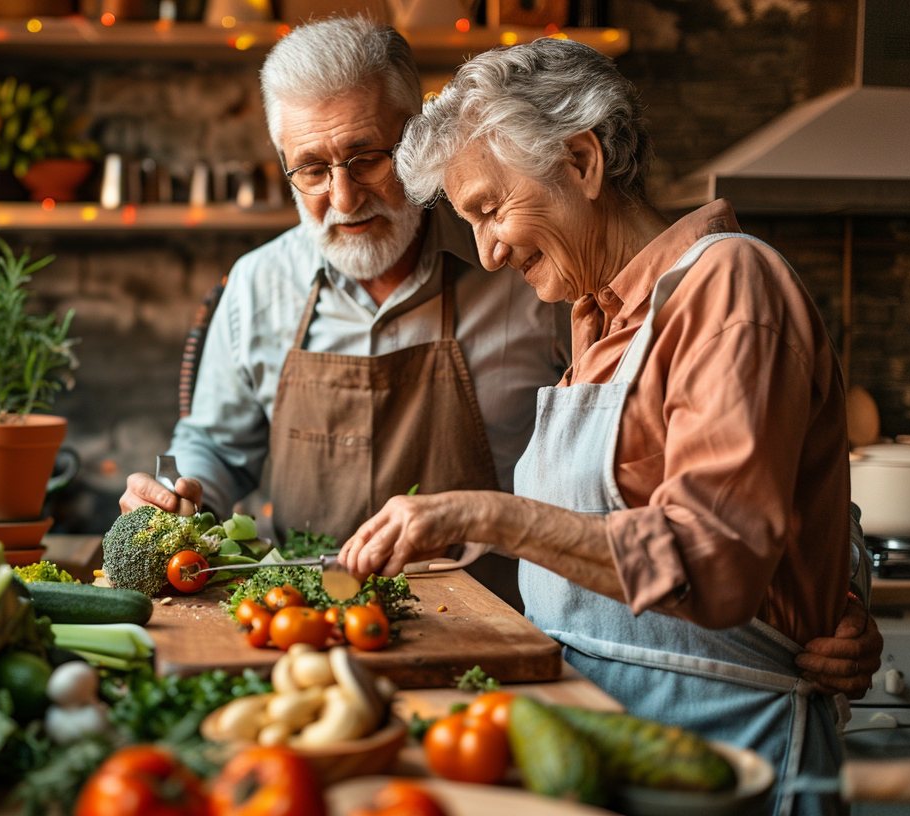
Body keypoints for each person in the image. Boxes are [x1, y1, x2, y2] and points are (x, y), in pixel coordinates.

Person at [119, 18, 880, 705]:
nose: (342, 196)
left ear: (581, 162)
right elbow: (746, 485)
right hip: (334, 645)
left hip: (509, 660)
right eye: (311, 170)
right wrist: (174, 490)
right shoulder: (591, 307)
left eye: (366, 158)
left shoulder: (591, 283)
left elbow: (758, 501)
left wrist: (831, 594)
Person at [341, 38, 872, 814]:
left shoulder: (729, 286)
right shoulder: (597, 319)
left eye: (490, 209)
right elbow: (795, 508)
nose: (488, 254)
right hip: (599, 742)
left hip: (727, 758)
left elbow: (718, 563)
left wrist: (484, 514)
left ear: (582, 162)